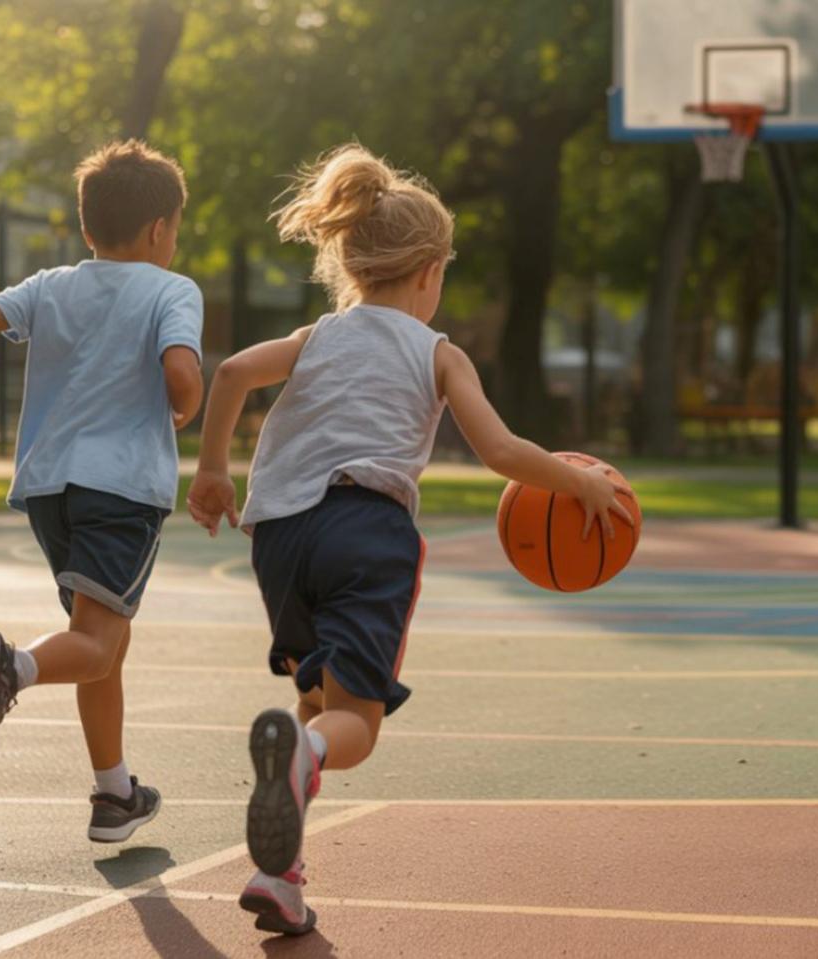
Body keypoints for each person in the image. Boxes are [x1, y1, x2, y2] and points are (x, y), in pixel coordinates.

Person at [186, 144, 632, 936]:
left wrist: (213, 470)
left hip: (280, 535)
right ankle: (301, 756)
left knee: (315, 696)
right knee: (352, 725)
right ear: (429, 270)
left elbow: (228, 376)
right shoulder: (437, 351)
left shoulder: (316, 335)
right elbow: (500, 452)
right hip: (368, 530)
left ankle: (279, 874)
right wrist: (580, 483)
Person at [0, 140, 204, 843]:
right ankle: (9, 668)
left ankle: (115, 792)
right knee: (97, 643)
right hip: (123, 486)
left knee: (101, 638)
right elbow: (181, 374)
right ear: (161, 229)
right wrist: (186, 402)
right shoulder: (173, 290)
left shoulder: (51, 283)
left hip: (49, 488)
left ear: (87, 227)